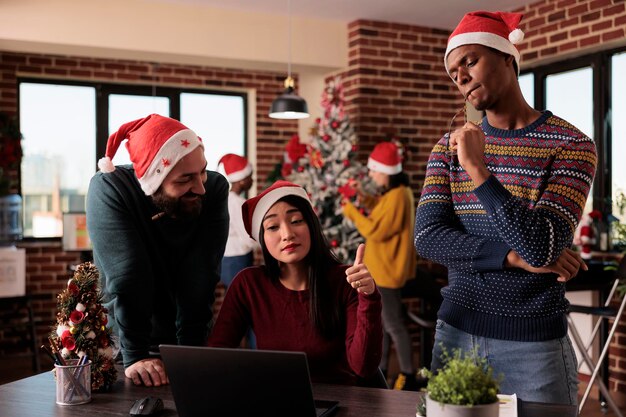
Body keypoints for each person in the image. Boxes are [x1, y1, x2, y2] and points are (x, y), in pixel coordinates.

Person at [413, 11, 597, 405]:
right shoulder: (447, 148)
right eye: (453, 71)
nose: (460, 75)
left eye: (470, 60)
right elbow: (428, 239)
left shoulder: (571, 146)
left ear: (508, 58)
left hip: (533, 344)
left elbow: (543, 248)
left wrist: (479, 171)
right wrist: (510, 257)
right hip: (456, 333)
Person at [86, 114, 229, 387]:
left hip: (184, 336)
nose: (201, 187)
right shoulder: (109, 189)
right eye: (185, 179)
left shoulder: (214, 187)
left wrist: (189, 352)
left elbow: (200, 274)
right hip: (124, 342)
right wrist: (136, 355)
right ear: (152, 181)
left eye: (202, 172)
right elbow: (128, 275)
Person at [209, 180, 383, 385]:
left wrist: (369, 297)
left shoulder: (346, 281)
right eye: (273, 227)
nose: (287, 234)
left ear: (311, 225)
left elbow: (363, 367)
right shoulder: (248, 284)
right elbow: (216, 356)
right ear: (262, 238)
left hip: (341, 403)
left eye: (296, 221)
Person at [341, 142, 419, 391]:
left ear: (386, 170)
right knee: (383, 325)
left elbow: (376, 230)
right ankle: (381, 370)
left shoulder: (398, 196)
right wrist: (362, 199)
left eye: (374, 171)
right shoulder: (394, 194)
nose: (372, 175)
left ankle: (408, 374)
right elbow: (380, 211)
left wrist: (351, 211)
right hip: (381, 271)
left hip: (386, 273)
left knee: (394, 325)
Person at [217, 153, 257, 288]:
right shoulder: (239, 203)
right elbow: (247, 235)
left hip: (225, 258)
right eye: (250, 177)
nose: (253, 180)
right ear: (241, 180)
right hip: (238, 259)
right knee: (242, 300)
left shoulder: (224, 200)